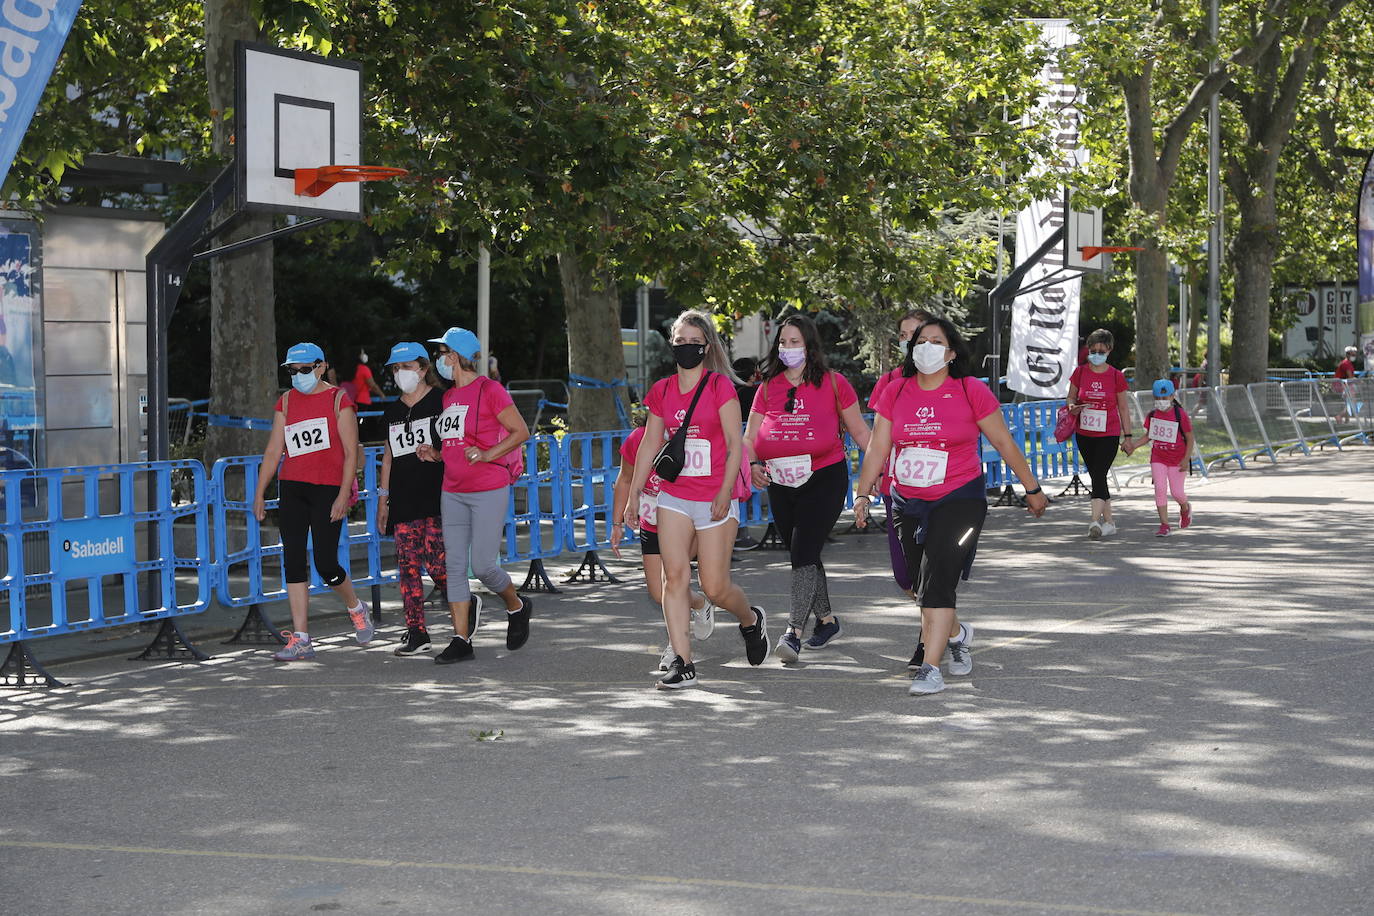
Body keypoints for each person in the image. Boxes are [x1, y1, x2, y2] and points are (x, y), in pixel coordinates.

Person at [854, 317, 1048, 695]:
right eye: (921, 340)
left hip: (960, 499)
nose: (926, 346)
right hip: (908, 501)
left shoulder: (969, 390)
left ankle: (930, 667)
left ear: (951, 352)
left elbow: (1005, 442)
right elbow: (879, 446)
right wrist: (862, 494)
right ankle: (957, 634)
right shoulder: (895, 392)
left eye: (936, 340)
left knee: (939, 578)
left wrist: (1032, 488)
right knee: (917, 583)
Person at [623, 309, 770, 689]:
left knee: (716, 587)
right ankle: (683, 663)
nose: (686, 348)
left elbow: (736, 446)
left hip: (714, 498)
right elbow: (649, 444)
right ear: (672, 344)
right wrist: (635, 495)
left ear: (706, 347)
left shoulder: (720, 387)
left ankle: (751, 619)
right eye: (680, 341)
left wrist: (724, 492)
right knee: (674, 578)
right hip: (674, 496)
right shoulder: (662, 390)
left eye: (694, 342)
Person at [744, 314, 871, 662]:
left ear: (810, 346)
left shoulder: (833, 383)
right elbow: (749, 438)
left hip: (824, 477)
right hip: (781, 482)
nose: (787, 349)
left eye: (795, 342)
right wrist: (753, 464)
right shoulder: (768, 388)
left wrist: (881, 468)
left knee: (802, 551)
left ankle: (793, 632)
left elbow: (861, 433)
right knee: (806, 553)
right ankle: (827, 621)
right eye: (783, 342)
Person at [415, 327, 533, 664]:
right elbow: (455, 442)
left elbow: (520, 431)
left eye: (442, 353)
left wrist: (488, 454)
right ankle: (460, 640)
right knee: (454, 567)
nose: (439, 359)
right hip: (452, 489)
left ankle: (517, 604)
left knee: (482, 565)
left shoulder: (490, 390)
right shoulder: (449, 397)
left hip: (487, 489)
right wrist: (435, 454)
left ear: (455, 356)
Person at [253, 342, 373, 661]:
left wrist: (343, 494)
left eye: (304, 369)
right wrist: (259, 492)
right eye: (292, 370)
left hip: (328, 488)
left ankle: (355, 606)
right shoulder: (287, 401)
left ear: (320, 367)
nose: (298, 375)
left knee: (325, 563)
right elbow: (273, 449)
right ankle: (302, 637)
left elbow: (350, 453)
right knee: (292, 559)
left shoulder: (339, 400)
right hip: (292, 486)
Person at [610, 409, 717, 670]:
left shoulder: (692, 437)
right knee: (659, 593)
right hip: (651, 520)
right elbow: (624, 479)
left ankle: (676, 648)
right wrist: (616, 523)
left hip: (684, 520)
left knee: (673, 580)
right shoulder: (638, 439)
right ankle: (700, 602)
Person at [378, 342, 449, 655]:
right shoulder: (393, 410)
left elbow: (455, 444)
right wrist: (383, 498)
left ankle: (463, 601)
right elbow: (389, 454)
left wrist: (438, 455)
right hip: (403, 497)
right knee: (407, 565)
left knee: (436, 562)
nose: (400, 373)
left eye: (406, 367)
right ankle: (416, 631)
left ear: (422, 369)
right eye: (395, 368)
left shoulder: (441, 401)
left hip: (436, 494)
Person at [868, 309, 931, 597]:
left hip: (940, 490)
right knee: (905, 576)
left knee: (933, 572)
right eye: (903, 336)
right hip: (896, 489)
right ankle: (951, 631)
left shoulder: (952, 383)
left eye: (914, 334)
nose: (908, 341)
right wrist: (867, 480)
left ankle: (929, 640)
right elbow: (877, 440)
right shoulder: (888, 382)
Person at [1066, 328, 1133, 538]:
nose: (1096, 354)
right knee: (1098, 476)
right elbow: (1070, 398)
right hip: (1084, 434)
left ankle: (1094, 521)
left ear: (1109, 351)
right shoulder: (1080, 372)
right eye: (1092, 350)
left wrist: (1128, 437)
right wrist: (1072, 407)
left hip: (1108, 433)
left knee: (1098, 474)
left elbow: (1123, 408)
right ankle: (1110, 522)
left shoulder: (1116, 376)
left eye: (1100, 351)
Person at [1122, 379, 1195, 537]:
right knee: (1160, 489)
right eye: (1158, 398)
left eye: (1165, 398)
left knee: (1177, 492)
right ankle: (1164, 524)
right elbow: (1149, 436)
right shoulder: (1153, 415)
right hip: (1158, 457)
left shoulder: (1179, 414)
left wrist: (1186, 459)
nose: (1161, 402)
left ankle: (1185, 508)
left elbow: (1190, 438)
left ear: (1172, 396)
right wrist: (1133, 446)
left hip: (1177, 458)